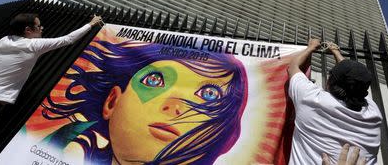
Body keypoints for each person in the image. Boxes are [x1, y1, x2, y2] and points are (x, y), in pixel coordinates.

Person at [40, 40, 248, 164]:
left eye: (209, 94)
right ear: (112, 102)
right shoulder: (69, 144)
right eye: (154, 80)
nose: (175, 106)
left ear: (227, 136)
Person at [0, 13, 103, 139]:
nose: (42, 28)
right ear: (28, 30)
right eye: (38, 26)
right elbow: (68, 39)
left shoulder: (3, 41)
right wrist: (91, 24)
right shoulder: (32, 45)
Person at [287, 39, 382, 165]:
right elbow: (353, 79)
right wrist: (336, 51)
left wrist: (310, 48)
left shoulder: (311, 99)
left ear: (328, 83)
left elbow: (292, 67)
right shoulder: (373, 114)